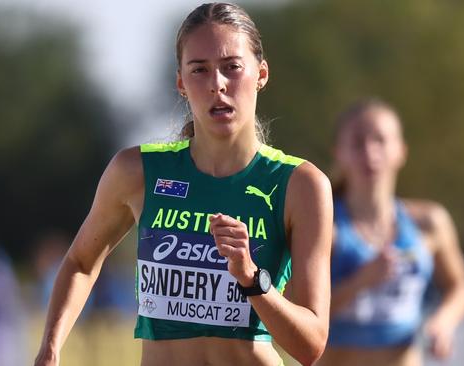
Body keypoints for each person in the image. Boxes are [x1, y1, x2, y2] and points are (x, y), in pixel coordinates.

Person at [34, 3, 333, 366]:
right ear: (180, 82)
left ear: (261, 74)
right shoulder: (137, 171)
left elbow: (311, 345)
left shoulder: (301, 184)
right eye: (199, 70)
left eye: (232, 67)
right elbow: (81, 262)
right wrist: (50, 348)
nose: (217, 84)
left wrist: (252, 278)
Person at [316, 99, 464, 366]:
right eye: (357, 143)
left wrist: (443, 322)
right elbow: (296, 311)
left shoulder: (429, 222)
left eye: (380, 140)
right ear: (338, 153)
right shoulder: (324, 227)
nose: (370, 151)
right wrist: (359, 283)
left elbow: (461, 288)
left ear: (401, 150)